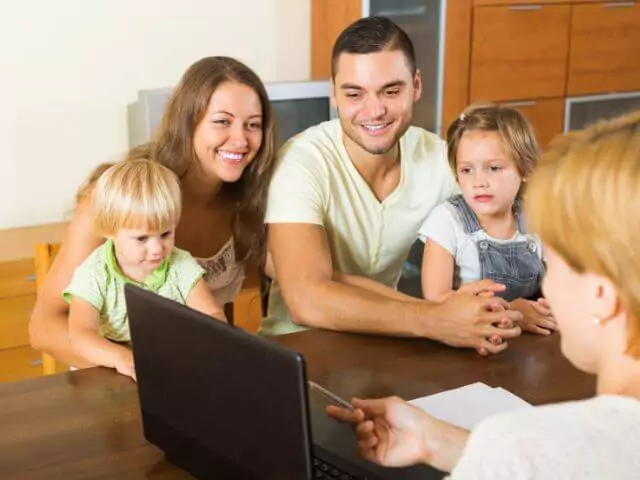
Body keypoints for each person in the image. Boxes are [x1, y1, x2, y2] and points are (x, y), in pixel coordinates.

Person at [327, 111, 640, 478]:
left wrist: (500, 448)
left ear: (603, 295)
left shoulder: (521, 441)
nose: (548, 281)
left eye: (555, 260)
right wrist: (436, 440)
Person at [263, 16, 521, 355]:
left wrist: (511, 307)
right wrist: (434, 319)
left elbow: (514, 214)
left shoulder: (440, 159)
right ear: (334, 94)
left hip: (389, 345)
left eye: (391, 90)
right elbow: (307, 300)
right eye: (355, 93)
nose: (375, 111)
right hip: (299, 348)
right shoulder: (301, 162)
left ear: (416, 85)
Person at [30, 56, 276, 367]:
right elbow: (44, 328)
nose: (241, 140)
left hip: (189, 371)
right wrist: (138, 368)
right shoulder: (117, 200)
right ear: (188, 123)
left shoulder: (249, 203)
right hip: (114, 378)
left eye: (253, 125)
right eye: (222, 121)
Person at [64, 160, 227, 379]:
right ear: (108, 231)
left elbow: (212, 315)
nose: (157, 249)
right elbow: (81, 335)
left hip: (166, 364)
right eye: (142, 238)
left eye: (166, 234)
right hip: (107, 368)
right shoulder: (93, 273)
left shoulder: (180, 264)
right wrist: (120, 357)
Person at [420, 104, 556, 336]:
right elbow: (436, 302)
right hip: (468, 340)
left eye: (493, 168)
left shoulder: (536, 217)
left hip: (530, 345)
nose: (479, 181)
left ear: (525, 168)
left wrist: (550, 306)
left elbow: (562, 282)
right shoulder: (447, 220)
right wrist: (514, 313)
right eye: (466, 170)